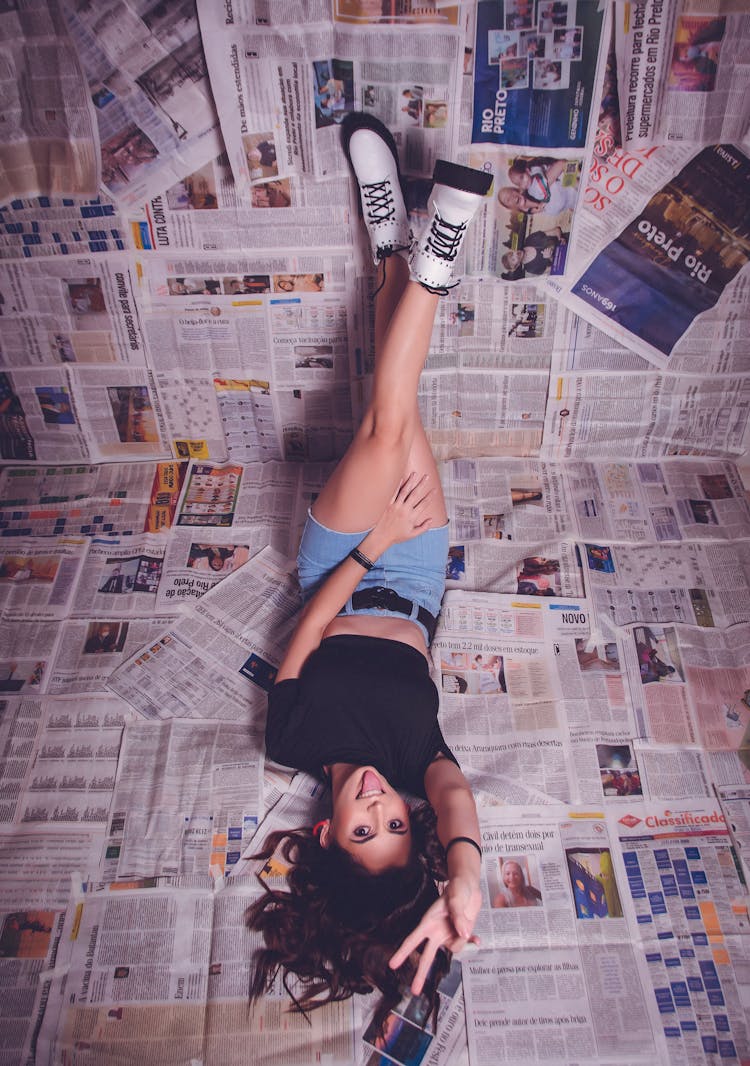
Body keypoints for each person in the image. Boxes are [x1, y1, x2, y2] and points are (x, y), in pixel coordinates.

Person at [247, 112, 493, 1035]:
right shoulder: (420, 767)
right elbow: (459, 800)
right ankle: (396, 241)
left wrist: (369, 544)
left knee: (388, 427)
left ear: (325, 833)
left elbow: (309, 629)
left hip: (344, 559)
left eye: (361, 829)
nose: (380, 809)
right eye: (396, 828)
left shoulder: (295, 739)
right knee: (394, 411)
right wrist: (462, 876)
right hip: (420, 574)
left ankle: (434, 248)